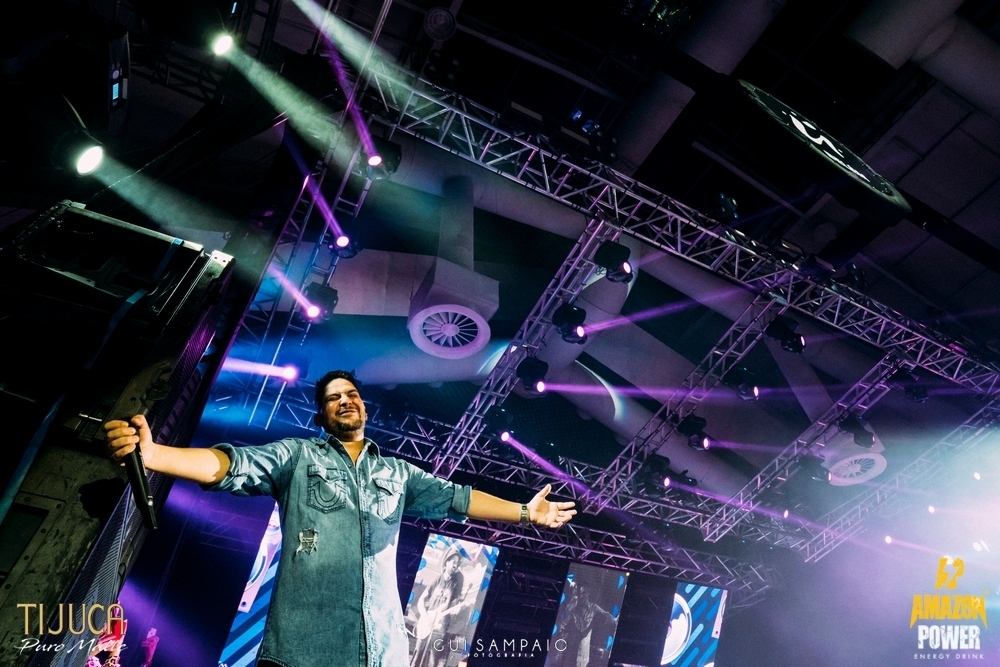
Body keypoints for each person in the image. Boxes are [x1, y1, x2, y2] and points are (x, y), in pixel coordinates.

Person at [105, 370, 576, 667]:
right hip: (303, 651)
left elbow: (458, 499)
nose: (346, 400)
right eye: (334, 398)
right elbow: (231, 465)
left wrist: (524, 512)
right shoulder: (297, 456)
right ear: (321, 415)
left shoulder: (398, 473)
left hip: (383, 653)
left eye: (352, 394)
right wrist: (155, 455)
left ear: (364, 406)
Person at [409, 546, 464, 667]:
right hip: (427, 621)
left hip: (440, 626)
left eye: (457, 563)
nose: (455, 565)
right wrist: (425, 616)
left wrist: (455, 608)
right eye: (453, 562)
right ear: (446, 562)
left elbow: (455, 601)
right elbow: (422, 600)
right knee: (417, 657)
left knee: (433, 660)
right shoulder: (437, 579)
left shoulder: (456, 581)